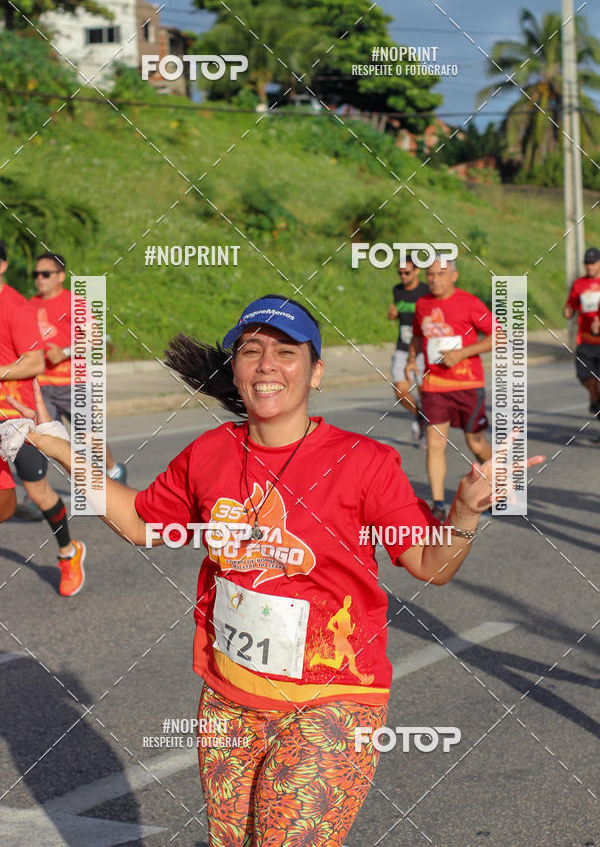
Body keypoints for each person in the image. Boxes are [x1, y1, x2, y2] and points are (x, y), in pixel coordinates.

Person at [18, 294, 544, 847]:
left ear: (315, 372)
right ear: (237, 370)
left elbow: (430, 565)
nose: (267, 364)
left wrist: (462, 513)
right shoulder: (209, 453)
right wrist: (60, 448)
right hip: (228, 699)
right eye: (251, 350)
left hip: (333, 701)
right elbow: (140, 522)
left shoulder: (365, 463)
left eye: (286, 351)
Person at [0, 242, 86, 597]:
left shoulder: (15, 307)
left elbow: (35, 362)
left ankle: (68, 552)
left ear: (2, 265)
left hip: (16, 418)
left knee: (37, 490)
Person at [406, 257, 494, 521]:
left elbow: (497, 336)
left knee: (475, 442)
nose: (435, 279)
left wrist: (462, 354)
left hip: (468, 385)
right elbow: (418, 335)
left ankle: (497, 484)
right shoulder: (422, 304)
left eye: (441, 274)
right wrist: (411, 359)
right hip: (434, 386)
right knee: (435, 443)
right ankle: (438, 504)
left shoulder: (469, 302)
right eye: (431, 274)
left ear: (453, 276)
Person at [30, 252, 127, 481]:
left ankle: (114, 472)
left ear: (60, 275)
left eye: (45, 274)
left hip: (74, 383)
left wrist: (63, 353)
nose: (40, 279)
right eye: (36, 274)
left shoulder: (74, 302)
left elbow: (96, 339)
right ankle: (38, 490)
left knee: (88, 437)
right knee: (45, 440)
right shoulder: (30, 304)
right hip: (42, 386)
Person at [387, 257, 429, 445]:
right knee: (400, 391)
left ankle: (431, 427)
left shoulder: (426, 291)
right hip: (403, 348)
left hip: (424, 350)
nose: (403, 276)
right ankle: (420, 417)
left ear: (417, 271)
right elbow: (395, 315)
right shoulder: (397, 290)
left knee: (425, 393)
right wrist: (392, 314)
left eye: (407, 273)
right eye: (400, 273)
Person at [563, 246, 600, 433]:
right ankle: (595, 400)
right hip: (585, 342)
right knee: (588, 380)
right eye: (587, 263)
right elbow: (570, 305)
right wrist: (568, 311)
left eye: (593, 262)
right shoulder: (579, 284)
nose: (589, 266)